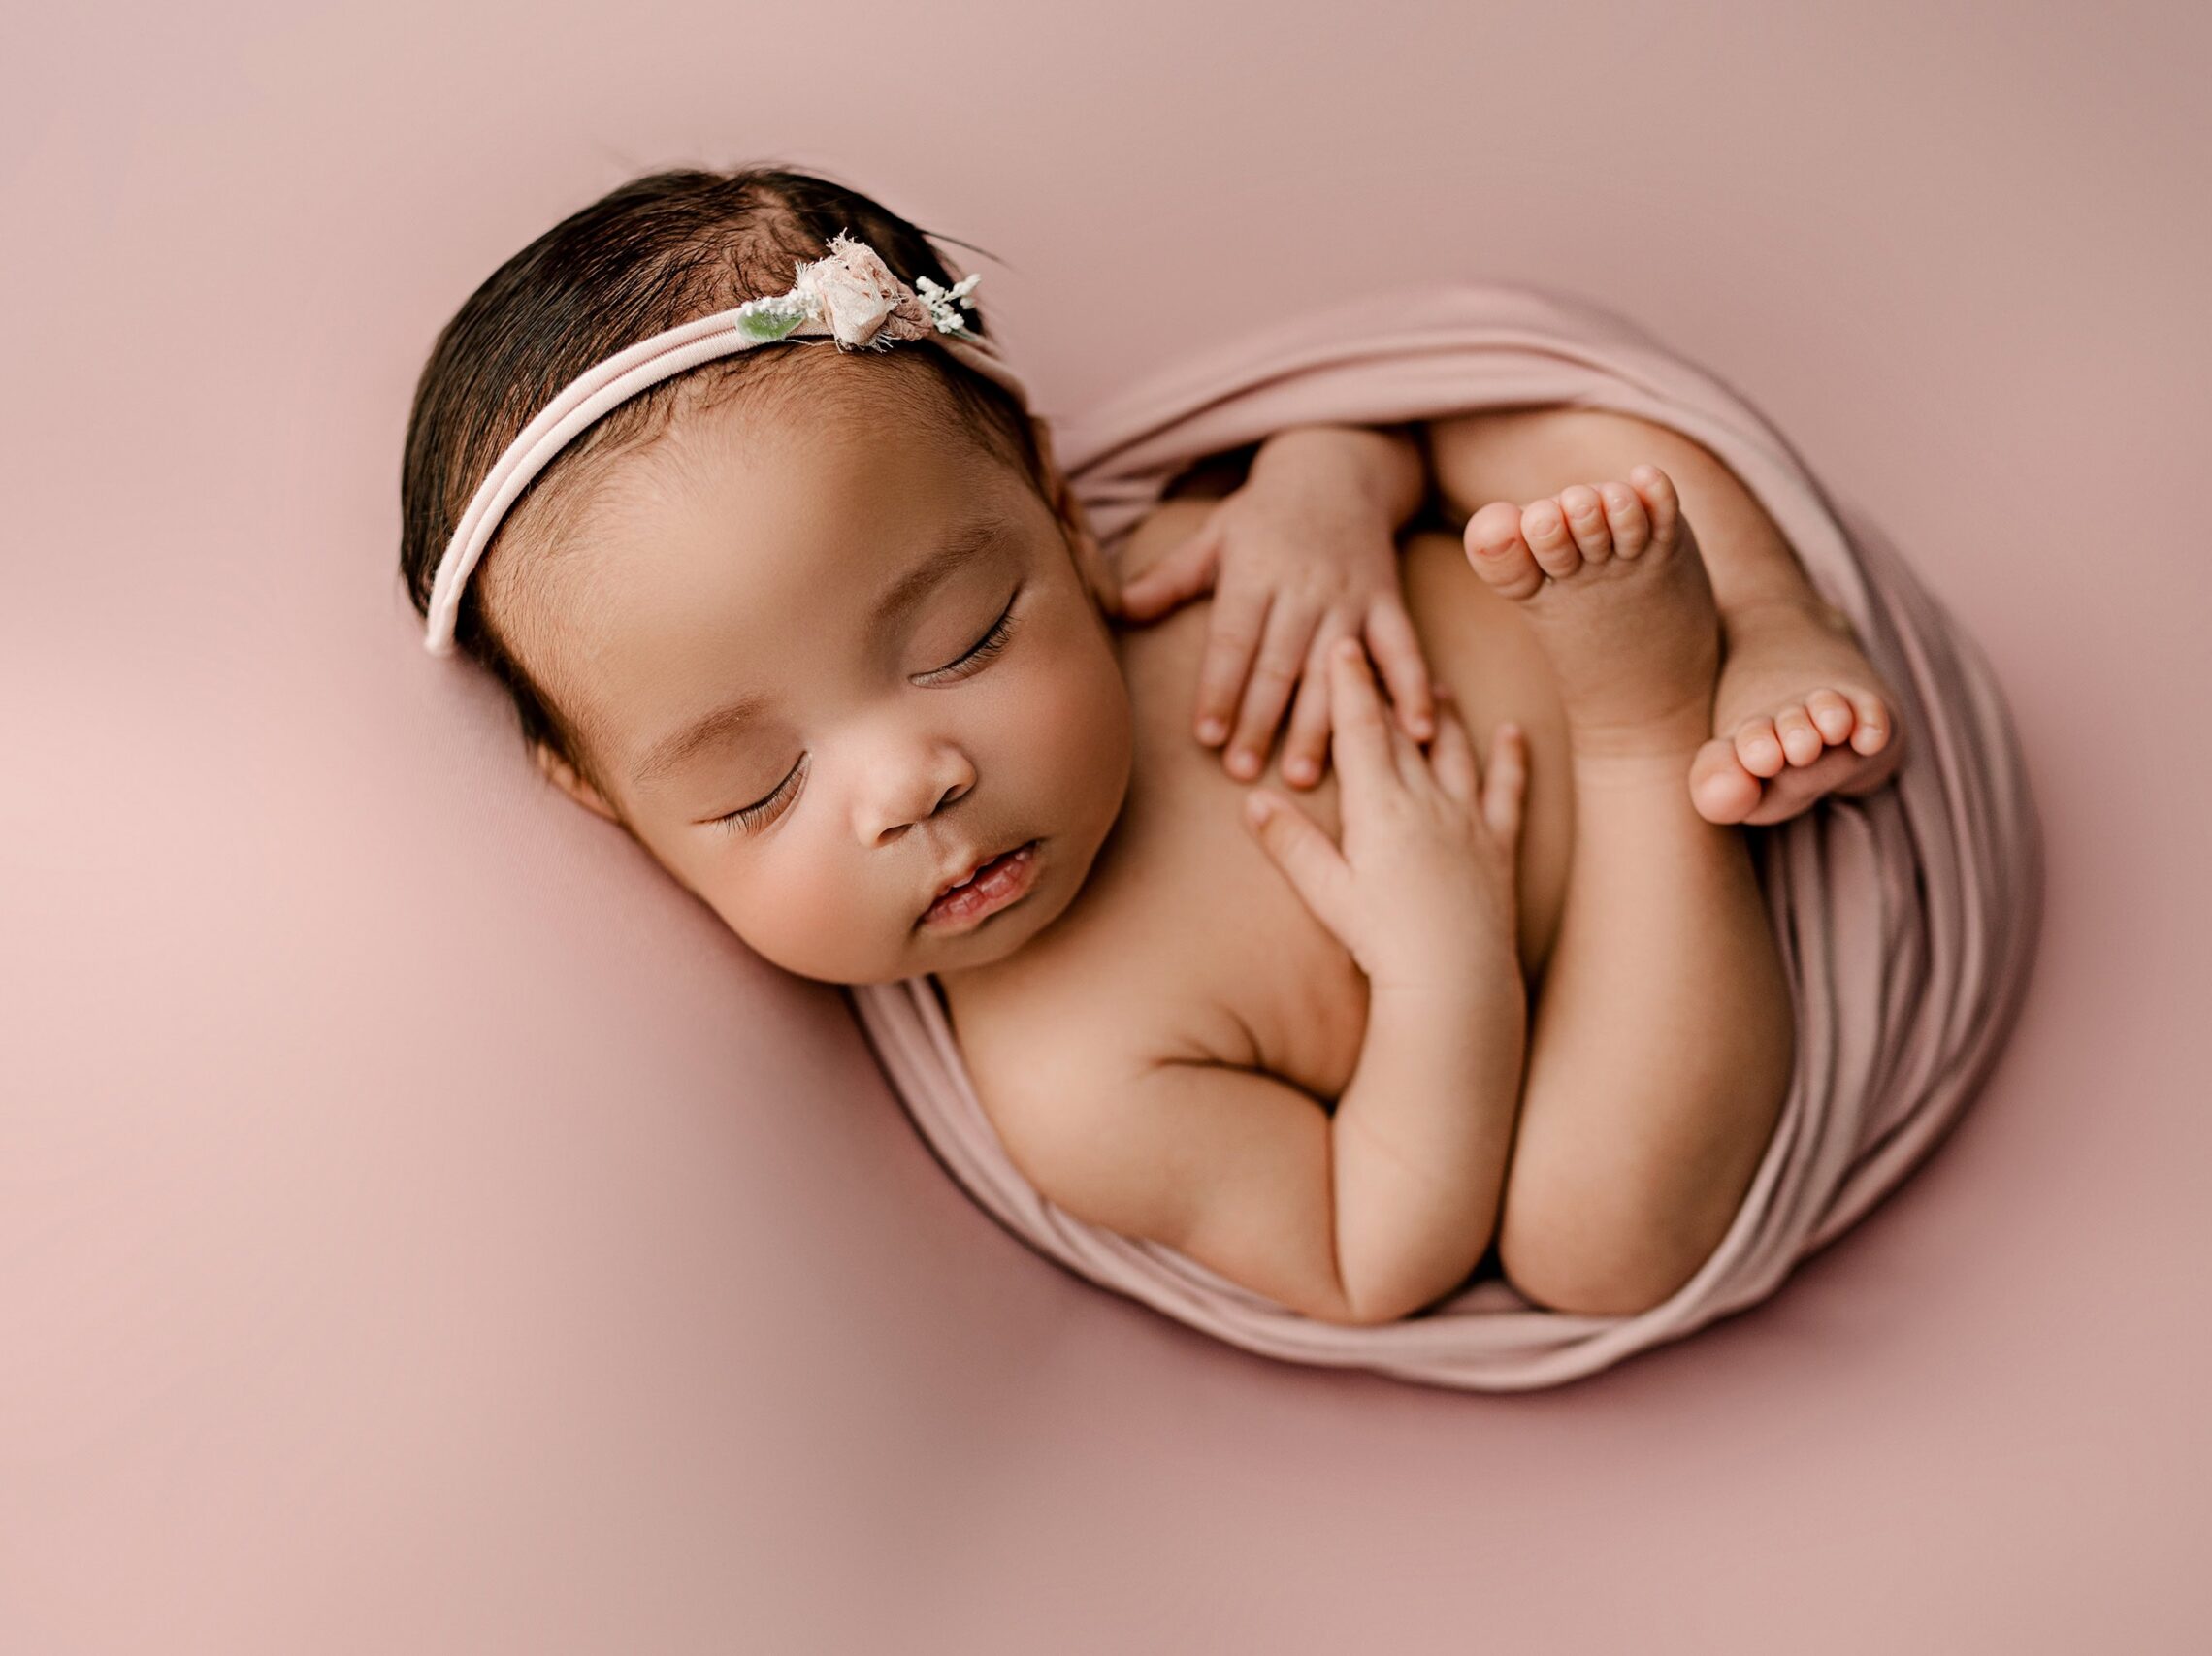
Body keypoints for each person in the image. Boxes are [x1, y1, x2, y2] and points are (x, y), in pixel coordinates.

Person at [399, 166, 1904, 1327]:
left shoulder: (1159, 560)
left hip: (1635, 620)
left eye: (967, 636)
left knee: (1508, 427)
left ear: (1056, 508)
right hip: (1617, 961)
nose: (910, 780)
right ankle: (1655, 748)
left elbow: (1401, 400)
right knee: (1598, 1236)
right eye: (755, 787)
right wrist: (1449, 965)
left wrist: (1327, 481)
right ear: (607, 803)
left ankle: (1766, 612)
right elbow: (1368, 1247)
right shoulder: (1075, 1080)